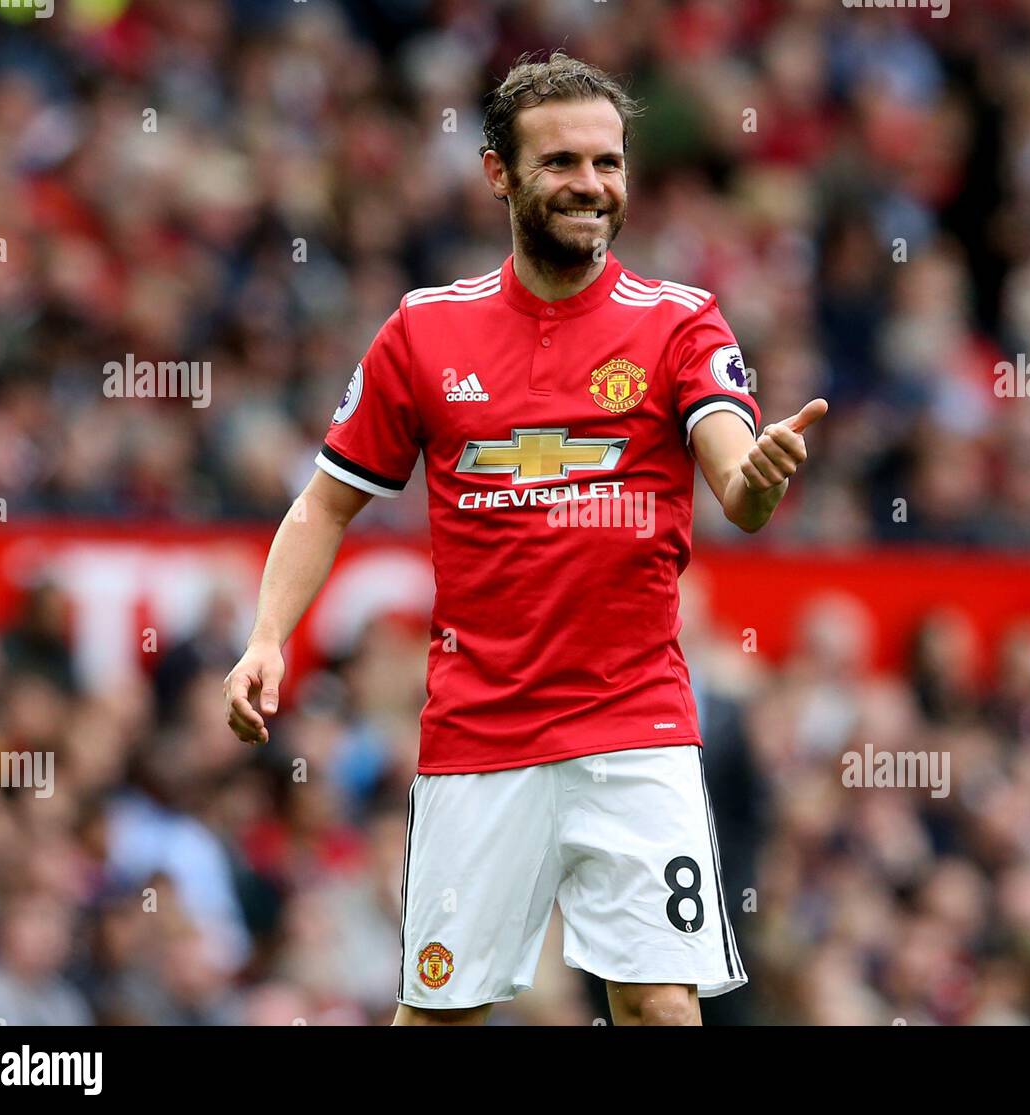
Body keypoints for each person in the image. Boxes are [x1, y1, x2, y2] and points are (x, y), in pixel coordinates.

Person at [223, 50, 826, 1026]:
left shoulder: (680, 323)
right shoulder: (424, 333)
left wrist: (755, 477)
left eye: (608, 162)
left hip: (637, 726)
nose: (590, 184)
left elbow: (734, 479)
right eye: (561, 163)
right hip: (477, 734)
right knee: (440, 1016)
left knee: (660, 1003)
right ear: (499, 173)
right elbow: (323, 503)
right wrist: (265, 636)